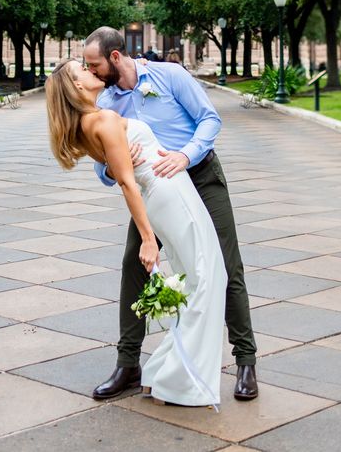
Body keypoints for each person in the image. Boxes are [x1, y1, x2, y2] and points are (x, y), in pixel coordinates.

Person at [83, 26, 258, 402]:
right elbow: (102, 172)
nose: (91, 71)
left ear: (115, 57)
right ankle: (128, 364)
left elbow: (210, 119)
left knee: (226, 265)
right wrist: (114, 168)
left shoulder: (170, 75)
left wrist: (185, 155)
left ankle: (246, 360)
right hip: (156, 193)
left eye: (94, 64)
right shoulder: (106, 105)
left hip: (200, 176)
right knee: (134, 263)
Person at [46, 58, 227, 408]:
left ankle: (163, 372)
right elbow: (126, 184)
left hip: (162, 192)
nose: (90, 71)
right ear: (76, 87)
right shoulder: (105, 120)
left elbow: (122, 169)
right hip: (168, 193)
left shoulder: (90, 122)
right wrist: (147, 239)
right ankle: (179, 381)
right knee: (207, 278)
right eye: (82, 70)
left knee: (198, 278)